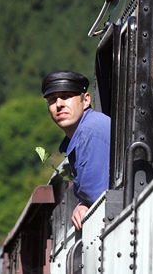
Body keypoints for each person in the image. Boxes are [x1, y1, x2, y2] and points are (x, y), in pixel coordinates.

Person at [41, 70, 110, 230]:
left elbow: (97, 196)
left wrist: (84, 204)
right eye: (52, 99)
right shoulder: (85, 131)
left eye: (66, 96)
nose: (58, 104)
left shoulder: (90, 132)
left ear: (85, 100)